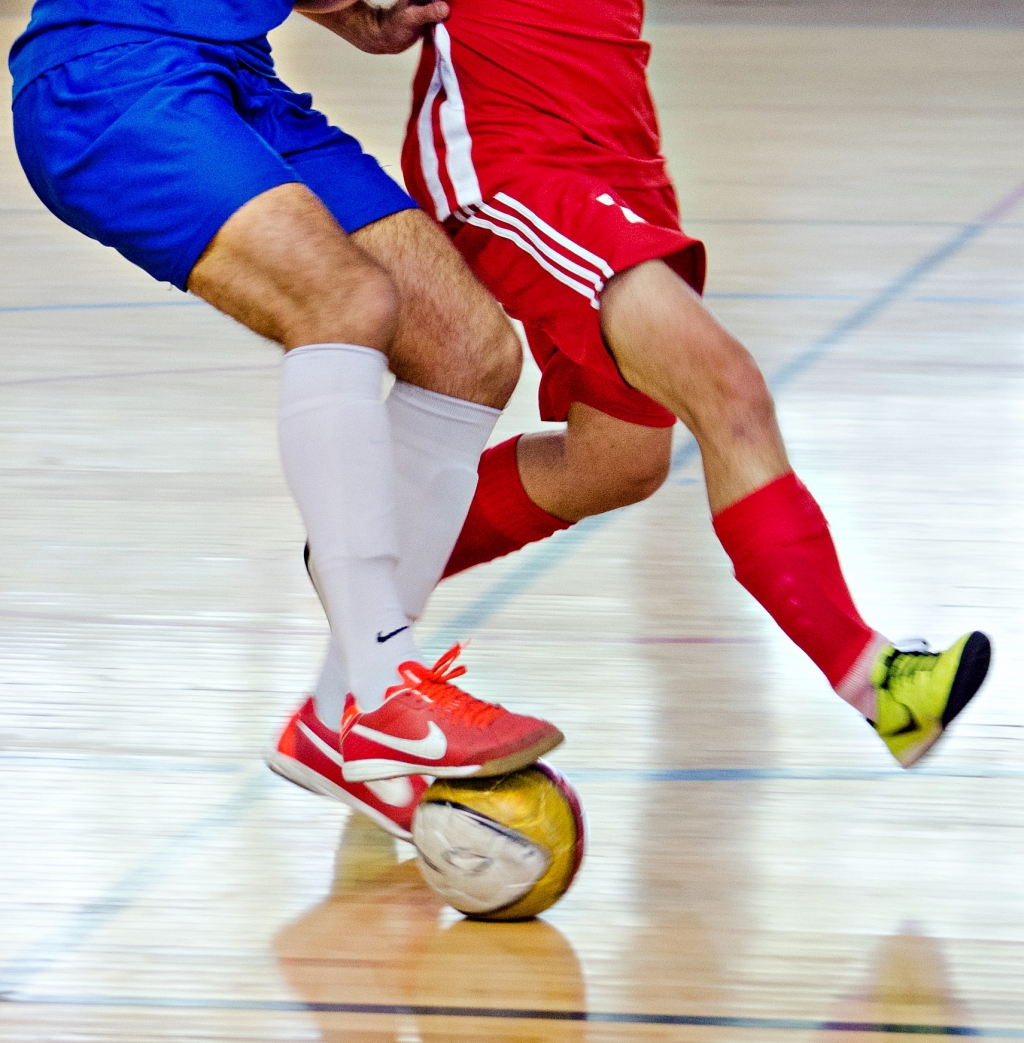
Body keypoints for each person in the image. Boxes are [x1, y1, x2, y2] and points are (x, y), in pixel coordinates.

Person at [308, 0, 992, 791]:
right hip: (516, 151)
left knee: (617, 462)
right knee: (727, 389)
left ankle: (369, 577)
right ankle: (879, 682)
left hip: (620, 149)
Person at [9, 0, 564, 841]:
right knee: (342, 300)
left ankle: (339, 717)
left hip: (235, 76)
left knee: (469, 350)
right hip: (114, 73)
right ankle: (386, 689)